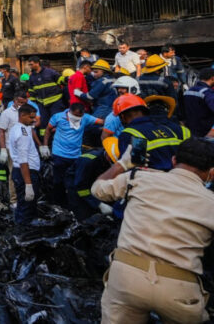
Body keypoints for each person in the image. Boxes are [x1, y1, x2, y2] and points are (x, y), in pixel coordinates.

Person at [92, 138, 214, 323]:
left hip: (126, 279)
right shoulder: (210, 201)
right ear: (211, 172)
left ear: (174, 160)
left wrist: (122, 164)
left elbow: (97, 189)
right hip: (179, 288)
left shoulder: (138, 178)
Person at [43, 103, 103, 208]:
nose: (77, 118)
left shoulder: (85, 118)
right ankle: (58, 204)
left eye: (80, 116)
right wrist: (45, 146)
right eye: (75, 115)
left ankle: (72, 204)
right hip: (59, 154)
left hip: (75, 156)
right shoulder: (58, 117)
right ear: (70, 111)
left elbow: (101, 122)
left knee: (73, 181)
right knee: (58, 181)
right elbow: (48, 129)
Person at [114, 94, 190, 172]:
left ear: (122, 117)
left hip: (152, 177)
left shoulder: (132, 133)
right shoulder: (164, 128)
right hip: (178, 175)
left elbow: (134, 167)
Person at [7, 104, 41, 225]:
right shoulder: (22, 134)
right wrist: (28, 184)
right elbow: (23, 161)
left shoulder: (19, 128)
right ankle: (23, 230)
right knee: (26, 207)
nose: (34, 120)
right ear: (22, 115)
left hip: (22, 172)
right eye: (31, 117)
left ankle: (22, 225)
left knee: (24, 205)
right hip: (26, 173)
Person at [27, 56, 65, 139]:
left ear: (37, 63)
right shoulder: (32, 76)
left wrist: (68, 79)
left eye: (31, 64)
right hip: (42, 104)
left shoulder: (50, 72)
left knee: (57, 121)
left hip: (55, 101)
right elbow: (31, 91)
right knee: (43, 123)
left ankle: (59, 139)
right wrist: (34, 103)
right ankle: (45, 141)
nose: (30, 66)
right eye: (29, 64)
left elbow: (60, 80)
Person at [101, 76, 140, 141]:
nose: (119, 90)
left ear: (133, 90)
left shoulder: (141, 109)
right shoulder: (114, 116)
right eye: (118, 88)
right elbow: (105, 138)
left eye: (123, 88)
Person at [183, 68, 214, 137]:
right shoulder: (208, 92)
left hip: (189, 131)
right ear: (212, 78)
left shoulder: (188, 91)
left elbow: (181, 112)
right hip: (203, 132)